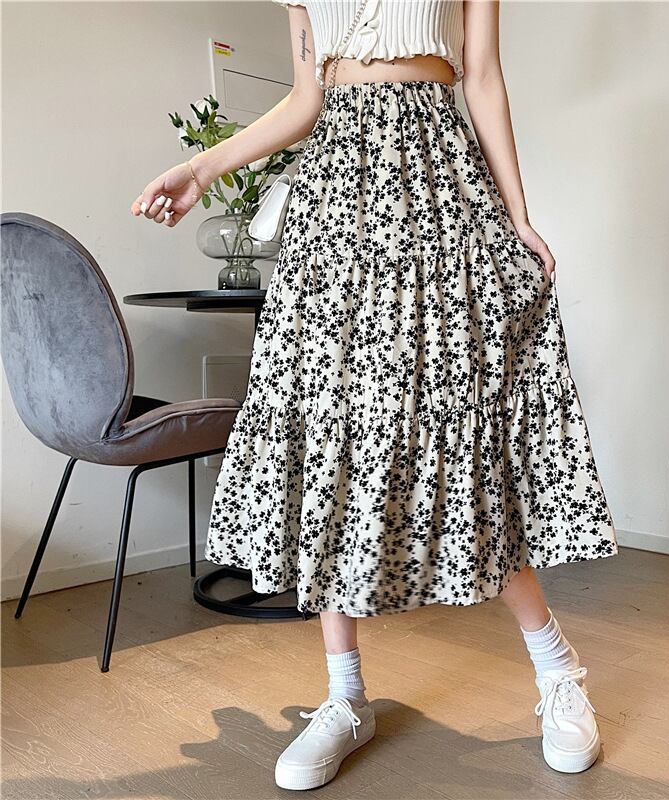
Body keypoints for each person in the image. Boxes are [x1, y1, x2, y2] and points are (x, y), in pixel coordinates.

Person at [132, 0, 619, 790]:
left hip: (438, 178)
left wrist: (517, 214)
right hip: (335, 201)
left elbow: (482, 76)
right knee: (332, 429)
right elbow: (306, 99)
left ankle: (558, 670)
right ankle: (345, 696)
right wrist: (202, 167)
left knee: (460, 422)